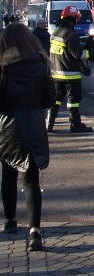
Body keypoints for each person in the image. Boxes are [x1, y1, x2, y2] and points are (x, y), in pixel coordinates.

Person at [0, 23, 56, 252]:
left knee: (8, 174)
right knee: (31, 179)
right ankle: (35, 231)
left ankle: (11, 222)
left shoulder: (3, 66)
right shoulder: (41, 63)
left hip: (7, 126)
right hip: (33, 123)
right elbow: (50, 99)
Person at [47, 5, 93, 133]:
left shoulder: (55, 32)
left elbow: (63, 54)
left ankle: (50, 123)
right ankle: (75, 124)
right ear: (75, 19)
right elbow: (78, 55)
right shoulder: (71, 34)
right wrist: (93, 52)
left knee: (56, 99)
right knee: (73, 101)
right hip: (70, 75)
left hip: (56, 73)